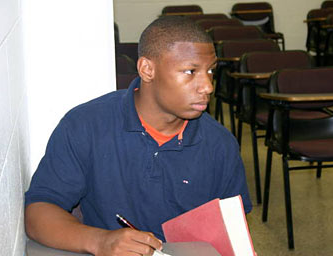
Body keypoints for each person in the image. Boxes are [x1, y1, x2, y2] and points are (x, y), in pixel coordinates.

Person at [25, 16, 252, 256]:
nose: (207, 86)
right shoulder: (86, 125)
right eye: (190, 71)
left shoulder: (220, 144)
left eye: (210, 71)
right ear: (147, 70)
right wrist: (100, 241)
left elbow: (233, 232)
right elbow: (39, 210)